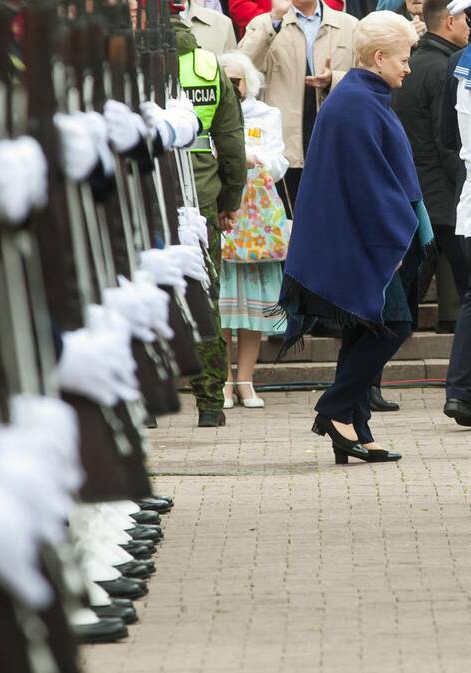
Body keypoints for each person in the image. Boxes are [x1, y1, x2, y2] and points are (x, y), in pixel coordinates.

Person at [274, 11, 429, 465]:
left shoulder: (360, 95)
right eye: (403, 59)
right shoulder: (359, 101)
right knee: (392, 325)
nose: (408, 68)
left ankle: (355, 428)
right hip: (362, 244)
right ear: (379, 58)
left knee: (366, 329)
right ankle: (334, 409)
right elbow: (370, 183)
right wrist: (392, 242)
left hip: (355, 241)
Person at [392, 0, 471, 424]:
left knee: (403, 290)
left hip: (415, 192)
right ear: (451, 21)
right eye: (466, 19)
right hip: (444, 197)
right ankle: (465, 387)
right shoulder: (444, 69)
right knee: (469, 292)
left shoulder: (416, 64)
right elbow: (448, 141)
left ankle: (366, 381)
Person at [176, 18, 249, 428]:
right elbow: (232, 141)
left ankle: (144, 404)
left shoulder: (116, 57)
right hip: (200, 194)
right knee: (203, 296)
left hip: (136, 195)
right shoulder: (206, 64)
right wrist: (230, 197)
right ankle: (209, 404)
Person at [216, 51, 291, 410]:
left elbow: (279, 162)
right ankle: (223, 381)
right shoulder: (209, 113)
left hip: (257, 220)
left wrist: (251, 157)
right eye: (226, 80)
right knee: (223, 305)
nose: (234, 87)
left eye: (238, 80)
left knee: (252, 308)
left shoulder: (267, 114)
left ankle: (245, 380)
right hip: (222, 212)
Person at [238, 0, 358, 208]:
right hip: (286, 143)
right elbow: (241, 69)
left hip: (335, 138)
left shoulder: (350, 25)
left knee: (332, 215)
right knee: (291, 219)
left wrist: (334, 79)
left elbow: (364, 76)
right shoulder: (264, 23)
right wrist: (273, 19)